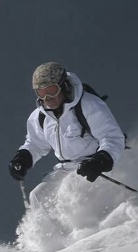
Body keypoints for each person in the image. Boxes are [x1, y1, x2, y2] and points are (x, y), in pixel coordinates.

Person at [8, 62, 125, 210]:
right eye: (41, 93)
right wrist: (22, 158)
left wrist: (100, 160)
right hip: (66, 169)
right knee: (38, 197)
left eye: (52, 90)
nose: (47, 98)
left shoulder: (88, 105)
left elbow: (112, 137)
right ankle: (52, 233)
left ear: (64, 86)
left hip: (94, 167)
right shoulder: (39, 117)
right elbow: (35, 144)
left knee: (79, 202)